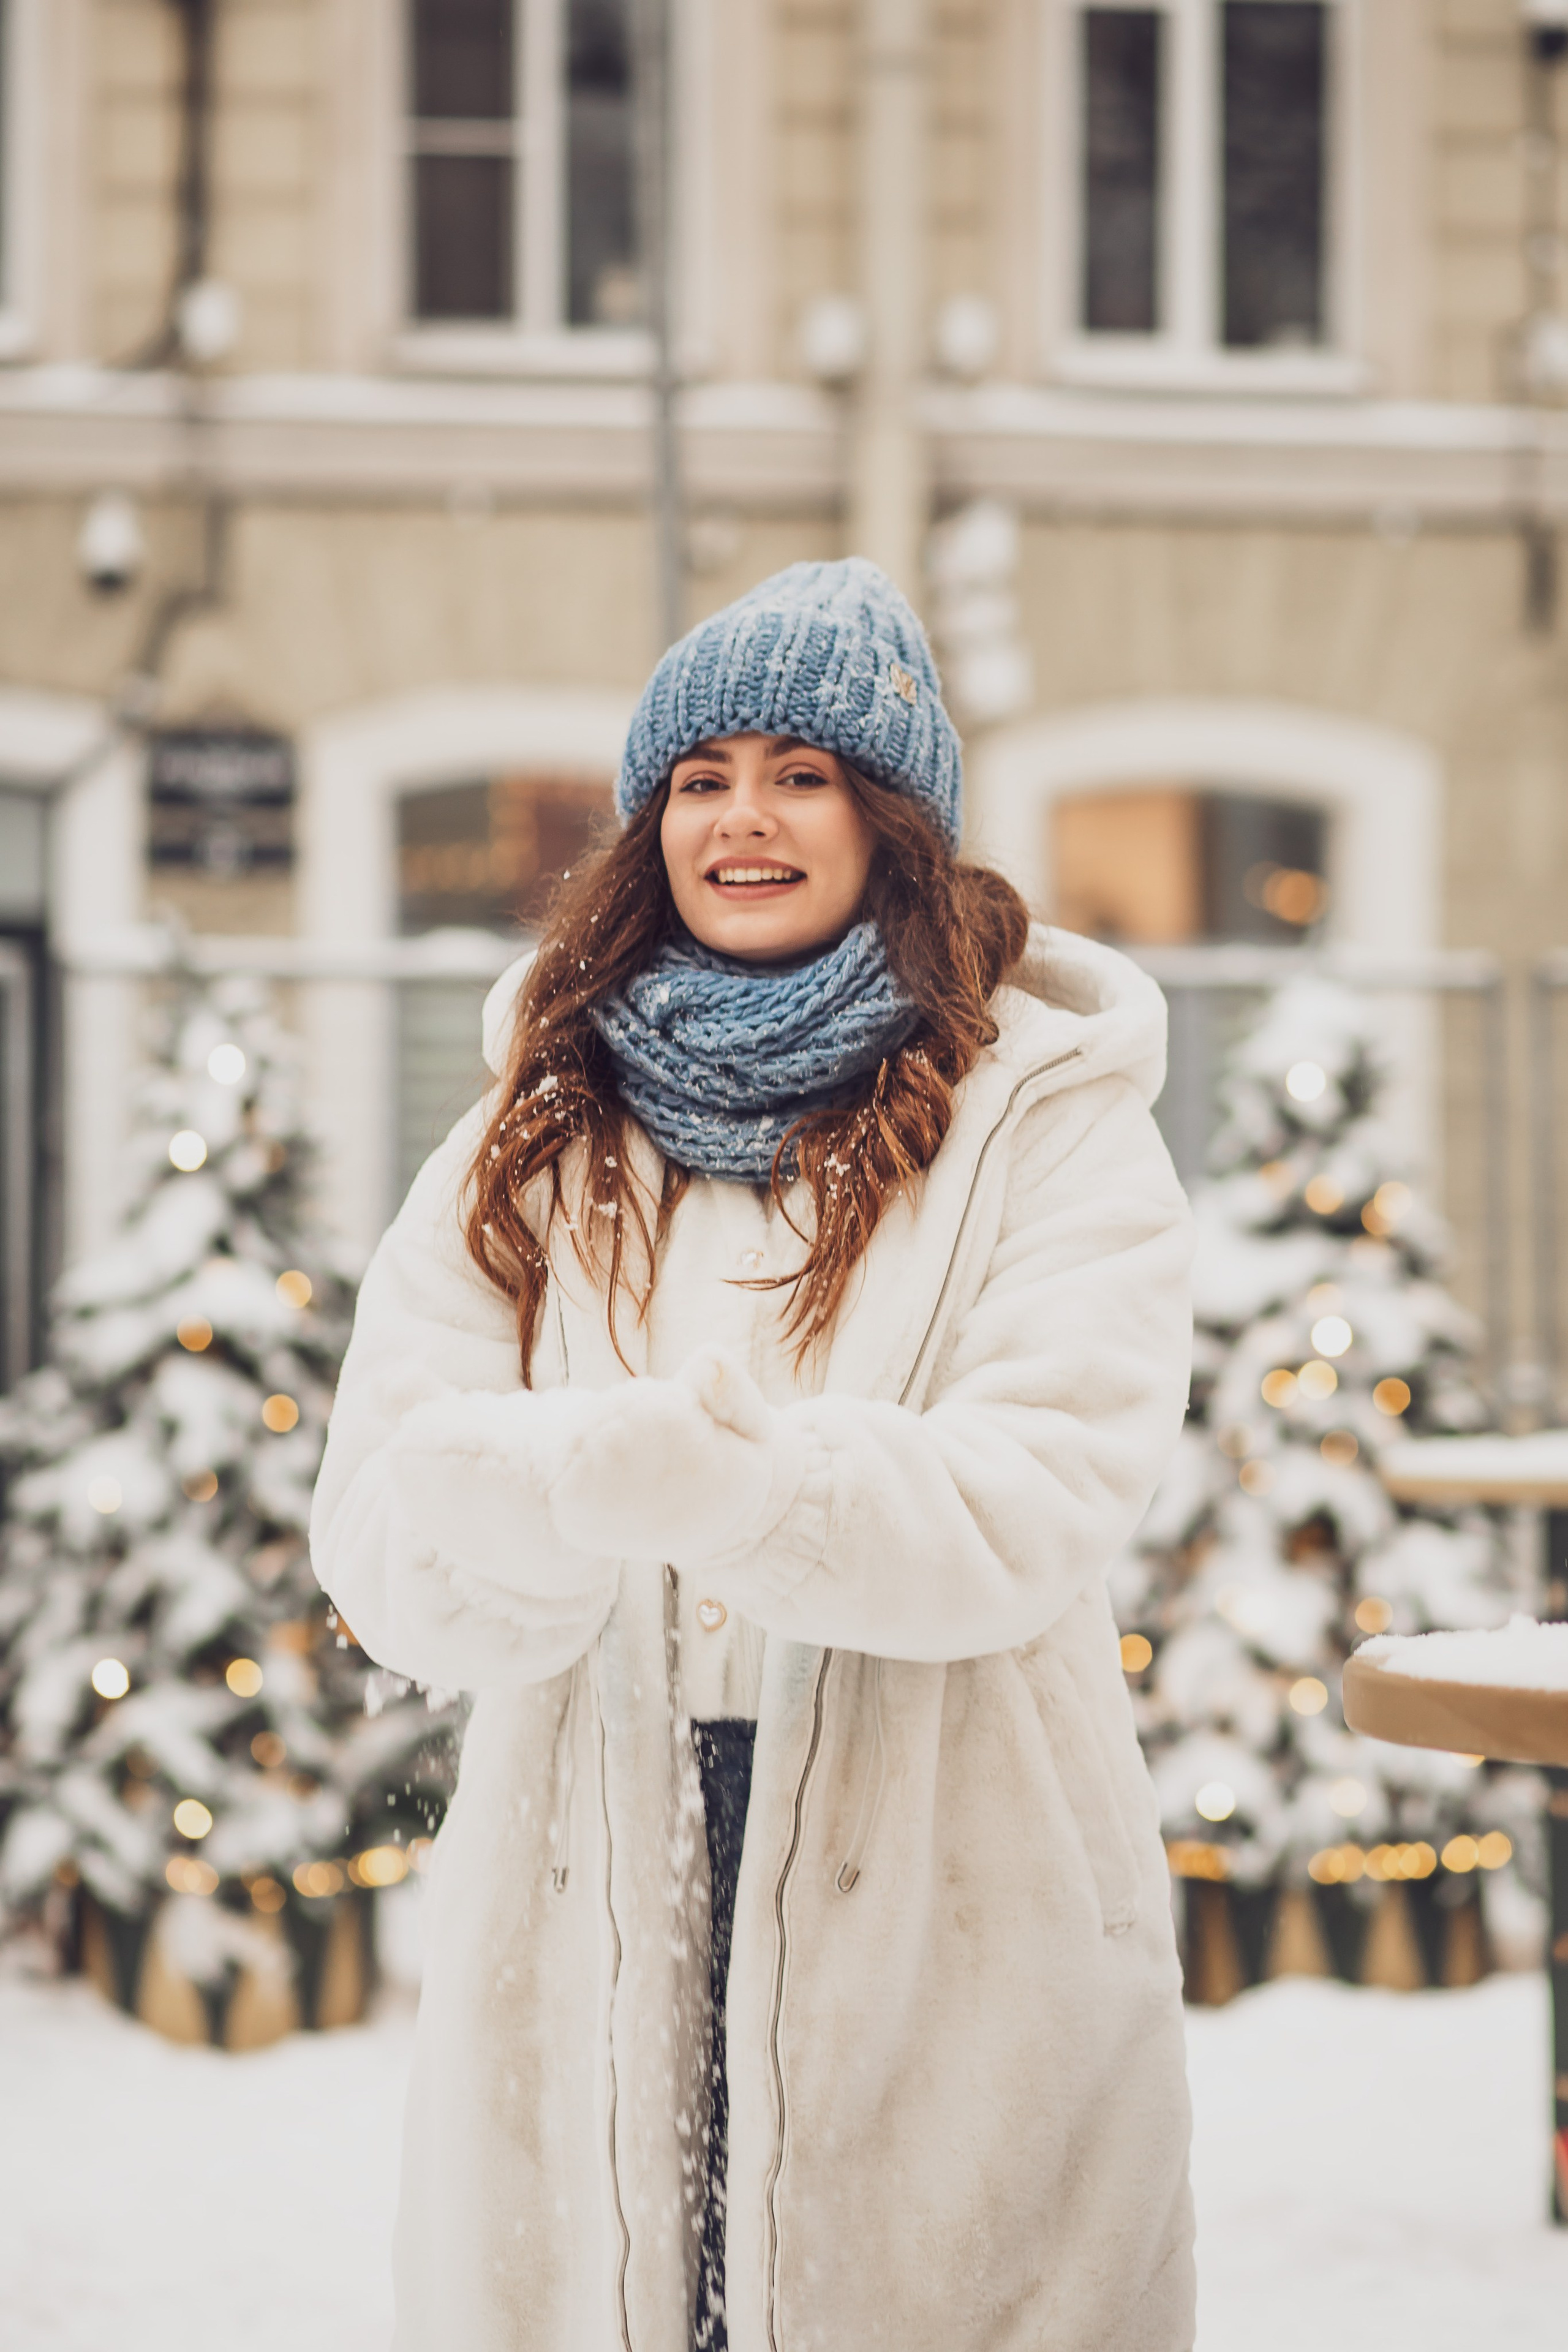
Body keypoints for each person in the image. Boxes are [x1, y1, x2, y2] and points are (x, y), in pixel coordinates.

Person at [311, 558, 1197, 2352]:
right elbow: (391, 1532)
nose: (746, 817)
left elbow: (1040, 1489)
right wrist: (560, 1499)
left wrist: (742, 1497)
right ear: (654, 826)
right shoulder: (535, 1123)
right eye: (702, 777)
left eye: (802, 771)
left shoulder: (1047, 1117)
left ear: (892, 819)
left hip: (956, 1880)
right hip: (592, 1876)